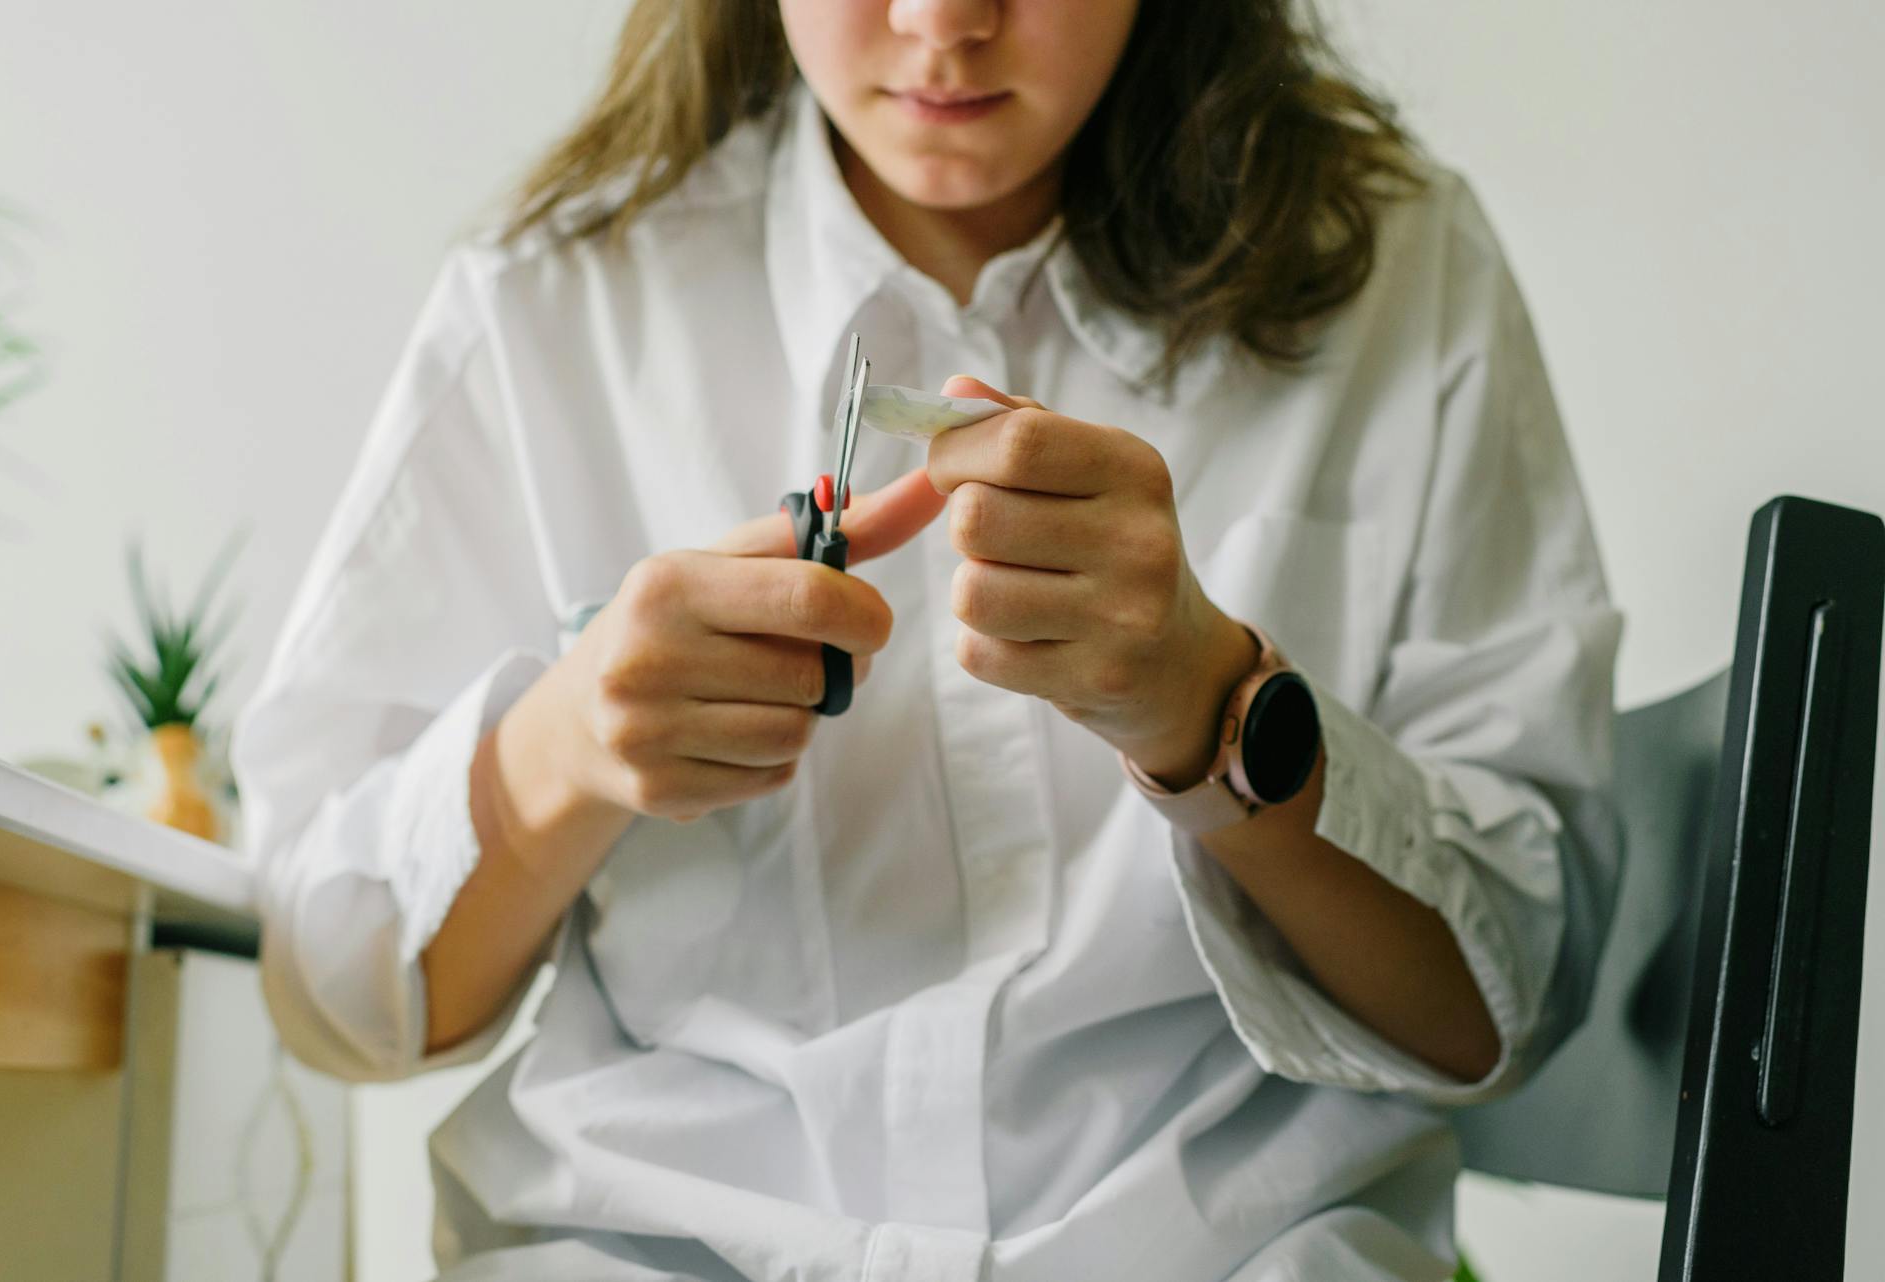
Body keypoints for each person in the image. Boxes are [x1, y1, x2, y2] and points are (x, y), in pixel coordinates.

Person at [231, 2, 1623, 1279]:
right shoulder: (551, 309)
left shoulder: (1396, 271)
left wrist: (1218, 712)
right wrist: (567, 748)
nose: (944, 21)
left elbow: (1505, 1002)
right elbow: (330, 989)